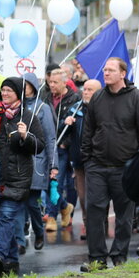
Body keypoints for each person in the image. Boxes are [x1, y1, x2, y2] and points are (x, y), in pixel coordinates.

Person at [80, 58, 139, 271]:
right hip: (97, 165)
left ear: (123, 73)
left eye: (111, 70)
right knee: (94, 212)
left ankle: (119, 256)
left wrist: (136, 163)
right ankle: (96, 258)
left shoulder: (136, 98)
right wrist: (87, 158)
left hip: (125, 166)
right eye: (105, 69)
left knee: (124, 215)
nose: (106, 73)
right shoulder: (97, 98)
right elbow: (88, 130)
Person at [0, 78, 45, 277]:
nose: (5, 94)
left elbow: (40, 145)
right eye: (3, 90)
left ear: (18, 94)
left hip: (19, 177)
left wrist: (25, 137)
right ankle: (12, 259)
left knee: (6, 216)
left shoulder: (29, 117)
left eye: (9, 91)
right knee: (3, 220)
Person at [58, 79, 101, 240]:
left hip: (97, 160)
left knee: (96, 195)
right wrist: (65, 123)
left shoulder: (101, 110)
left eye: (90, 90)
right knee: (83, 196)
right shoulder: (75, 109)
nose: (86, 92)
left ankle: (96, 224)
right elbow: (63, 133)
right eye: (85, 89)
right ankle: (87, 223)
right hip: (79, 160)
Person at [19, 73, 56, 252]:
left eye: (28, 84)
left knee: (32, 202)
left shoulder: (43, 108)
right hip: (18, 162)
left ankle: (38, 231)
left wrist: (53, 165)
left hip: (37, 162)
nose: (24, 87)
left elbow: (50, 138)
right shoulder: (16, 106)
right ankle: (20, 235)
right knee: (18, 202)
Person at [47, 68, 81, 230]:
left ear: (64, 83)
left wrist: (65, 143)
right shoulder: (46, 96)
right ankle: (64, 207)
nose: (52, 85)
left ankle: (53, 216)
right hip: (49, 144)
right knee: (52, 181)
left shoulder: (75, 98)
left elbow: (77, 125)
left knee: (62, 182)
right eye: (50, 82)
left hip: (64, 146)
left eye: (55, 82)